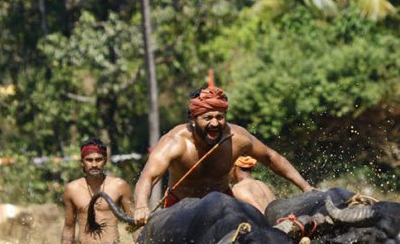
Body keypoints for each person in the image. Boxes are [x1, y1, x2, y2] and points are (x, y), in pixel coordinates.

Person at [133, 74, 312, 225]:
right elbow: (148, 176)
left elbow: (271, 158)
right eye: (207, 117)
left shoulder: (237, 138)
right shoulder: (175, 142)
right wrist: (141, 205)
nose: (214, 123)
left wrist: (306, 187)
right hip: (180, 206)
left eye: (220, 117)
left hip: (222, 205)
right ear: (193, 119)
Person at [54, 137, 133, 244]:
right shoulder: (72, 189)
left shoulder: (119, 186)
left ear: (105, 160)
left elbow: (133, 224)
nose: (94, 164)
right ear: (82, 162)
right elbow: (69, 228)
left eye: (98, 159)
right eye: (89, 160)